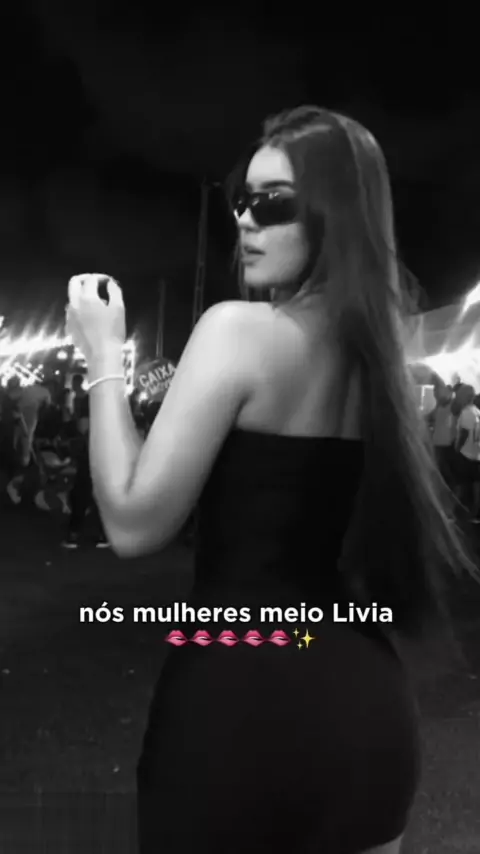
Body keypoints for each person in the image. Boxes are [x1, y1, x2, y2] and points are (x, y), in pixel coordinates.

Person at [65, 107, 479, 854]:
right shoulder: (384, 366)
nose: (245, 220)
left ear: (335, 215)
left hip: (236, 713)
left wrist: (102, 358)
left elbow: (131, 522)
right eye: (241, 200)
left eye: (274, 203)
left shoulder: (239, 332)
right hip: (367, 718)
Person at [454, 384, 480, 521]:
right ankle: (475, 512)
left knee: (461, 484)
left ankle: (457, 511)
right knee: (476, 485)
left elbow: (464, 433)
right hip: (476, 453)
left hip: (465, 453)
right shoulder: (477, 411)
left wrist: (457, 448)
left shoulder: (466, 412)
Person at [426, 383, 456, 488]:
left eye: (438, 392)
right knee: (441, 469)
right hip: (439, 443)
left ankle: (450, 489)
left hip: (448, 444)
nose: (436, 395)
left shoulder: (453, 406)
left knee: (446, 470)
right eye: (435, 392)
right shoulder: (439, 406)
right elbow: (430, 417)